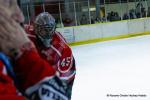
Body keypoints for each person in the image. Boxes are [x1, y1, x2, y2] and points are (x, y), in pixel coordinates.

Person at [0, 0, 69, 100]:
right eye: (8, 4)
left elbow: (66, 80)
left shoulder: (61, 47)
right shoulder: (26, 35)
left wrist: (28, 58)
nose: (20, 17)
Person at [26, 12, 76, 99]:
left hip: (64, 73)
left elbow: (65, 78)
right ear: (36, 29)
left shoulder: (63, 49)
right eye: (44, 30)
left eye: (50, 29)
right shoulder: (27, 33)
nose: (48, 33)